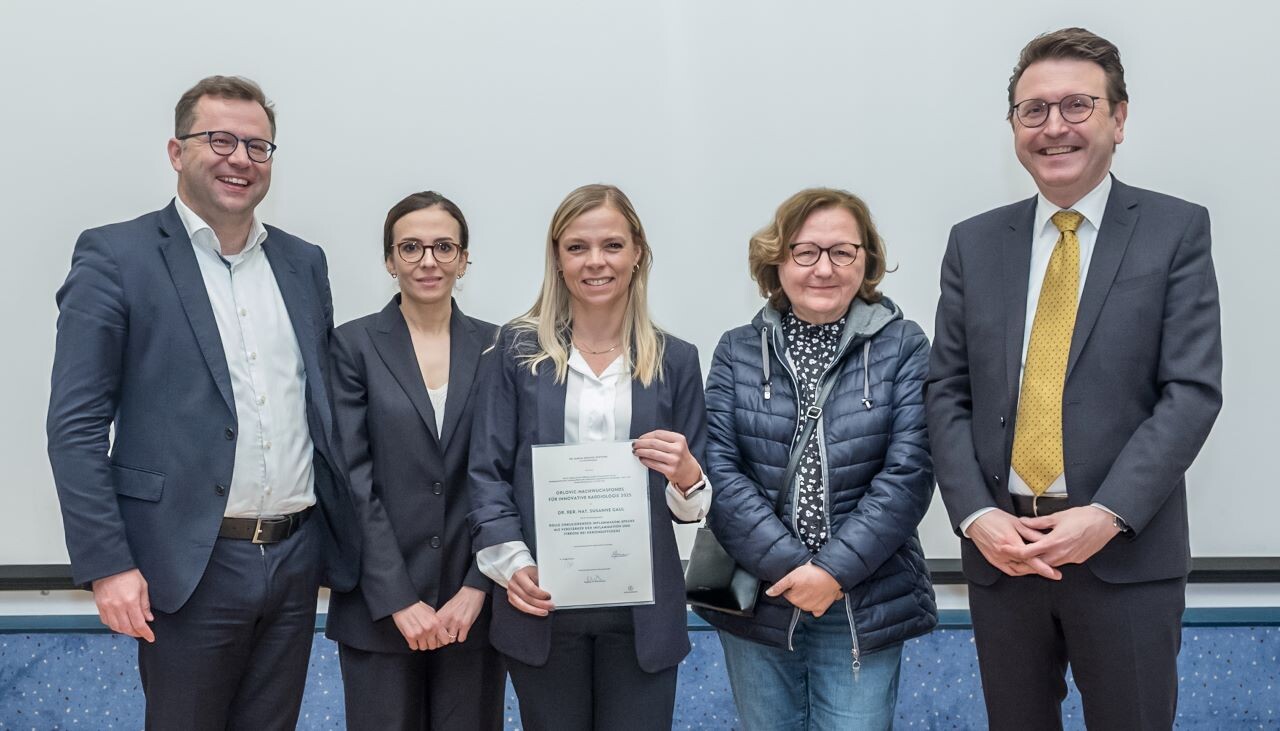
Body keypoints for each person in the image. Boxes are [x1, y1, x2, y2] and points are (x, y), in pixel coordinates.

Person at [925, 27, 1223, 730]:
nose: (1053, 126)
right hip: (1004, 555)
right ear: (1013, 127)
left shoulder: (1175, 230)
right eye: (1033, 110)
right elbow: (947, 391)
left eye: (1077, 105)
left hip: (1125, 556)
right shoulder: (974, 242)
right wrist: (976, 516)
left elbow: (1190, 391)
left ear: (1119, 119)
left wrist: (1108, 513)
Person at [46, 75, 360, 729]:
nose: (240, 158)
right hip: (187, 564)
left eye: (257, 146)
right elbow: (76, 427)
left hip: (295, 558)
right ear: (176, 151)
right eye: (220, 140)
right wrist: (108, 564)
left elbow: (320, 410)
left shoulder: (303, 263)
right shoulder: (117, 256)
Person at [468, 183, 710, 730]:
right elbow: (486, 475)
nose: (595, 261)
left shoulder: (676, 360)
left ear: (638, 253)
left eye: (612, 245)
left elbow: (694, 505)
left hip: (643, 613)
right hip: (541, 605)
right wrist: (513, 566)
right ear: (557, 258)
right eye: (577, 247)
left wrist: (687, 476)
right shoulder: (515, 354)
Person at [699, 187, 937, 730]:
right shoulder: (737, 350)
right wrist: (793, 569)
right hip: (759, 599)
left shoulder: (904, 345)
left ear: (866, 260)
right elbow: (720, 470)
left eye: (842, 252)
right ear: (777, 261)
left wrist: (831, 573)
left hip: (862, 599)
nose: (823, 269)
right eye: (805, 252)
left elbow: (909, 473)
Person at [324, 192, 504, 730]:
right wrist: (398, 598)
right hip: (379, 610)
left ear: (464, 259)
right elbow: (352, 480)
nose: (429, 261)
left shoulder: (500, 347)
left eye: (444, 247)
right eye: (411, 248)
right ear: (390, 260)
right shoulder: (351, 346)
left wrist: (478, 585)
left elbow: (507, 476)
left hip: (471, 612)